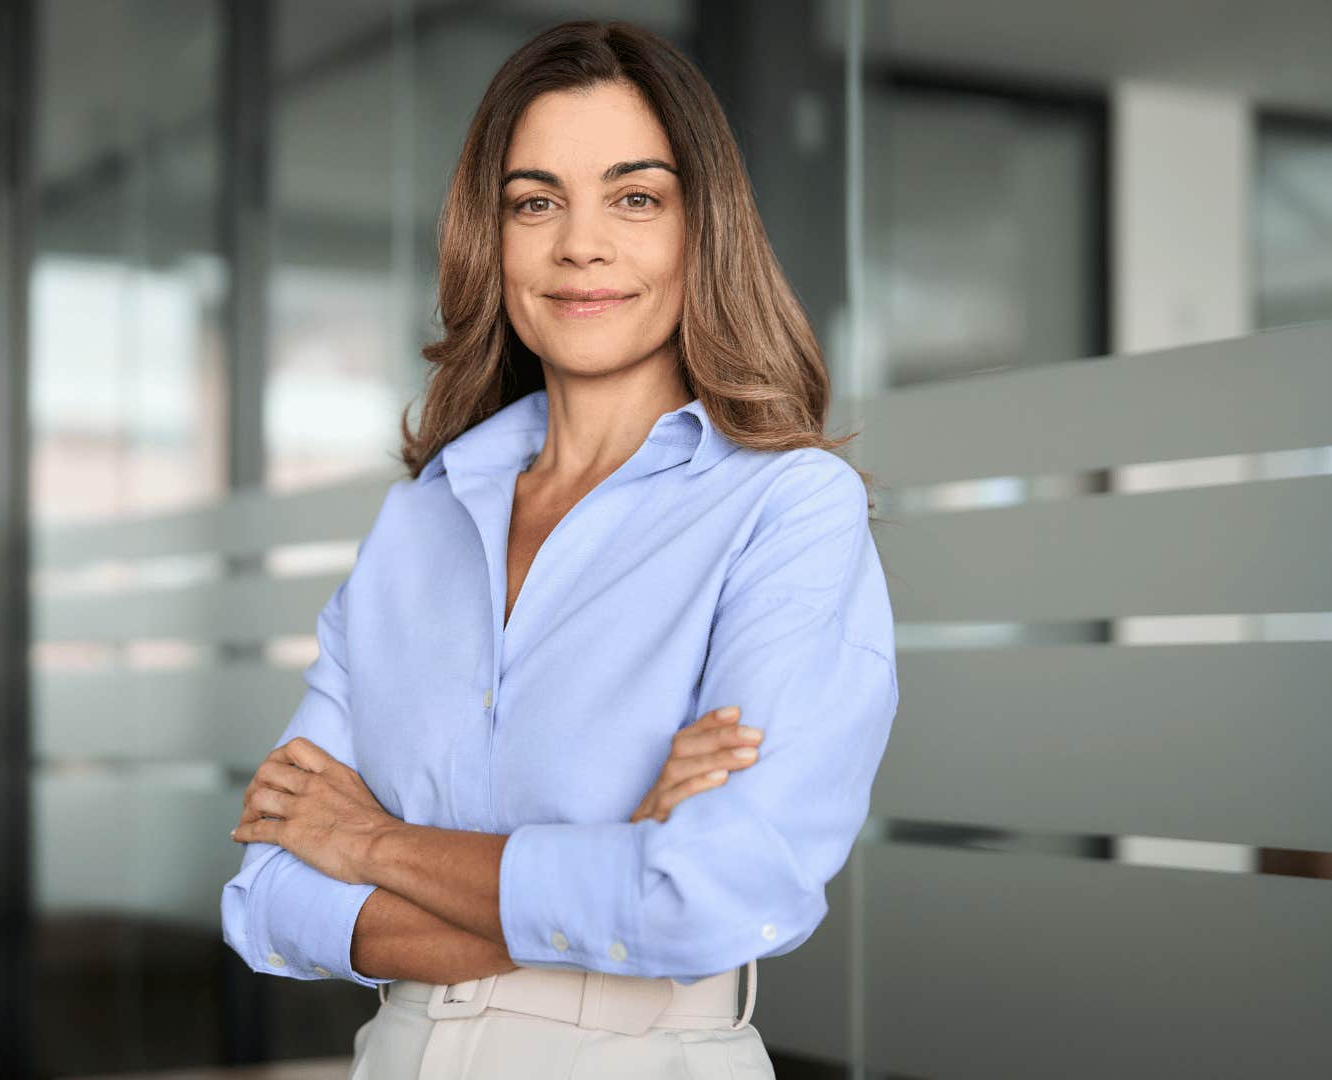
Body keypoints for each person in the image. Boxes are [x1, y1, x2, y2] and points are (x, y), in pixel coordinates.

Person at [221, 18, 897, 1079]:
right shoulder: (419, 522)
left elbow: (711, 895)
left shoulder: (787, 510)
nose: (581, 243)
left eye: (636, 197)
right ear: (490, 239)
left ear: (700, 229)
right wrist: (610, 854)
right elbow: (268, 893)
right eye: (535, 202)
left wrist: (374, 848)